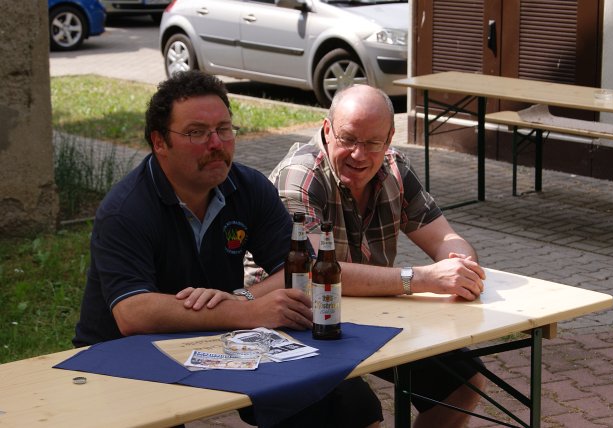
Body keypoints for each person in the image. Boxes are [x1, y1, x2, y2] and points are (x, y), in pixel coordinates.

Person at [72, 70, 382, 428]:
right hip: (120, 356)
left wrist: (242, 300)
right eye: (196, 133)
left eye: (223, 129)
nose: (216, 143)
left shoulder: (248, 187)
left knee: (350, 403)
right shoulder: (125, 209)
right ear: (159, 142)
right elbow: (133, 314)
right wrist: (248, 312)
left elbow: (300, 267)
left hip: (217, 337)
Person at [246, 84, 487, 428]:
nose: (360, 154)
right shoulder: (300, 175)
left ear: (389, 139)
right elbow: (318, 270)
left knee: (463, 383)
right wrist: (422, 278)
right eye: (348, 139)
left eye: (373, 142)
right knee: (359, 413)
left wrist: (460, 263)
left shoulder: (395, 168)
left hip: (364, 320)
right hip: (290, 324)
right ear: (327, 131)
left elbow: (444, 236)